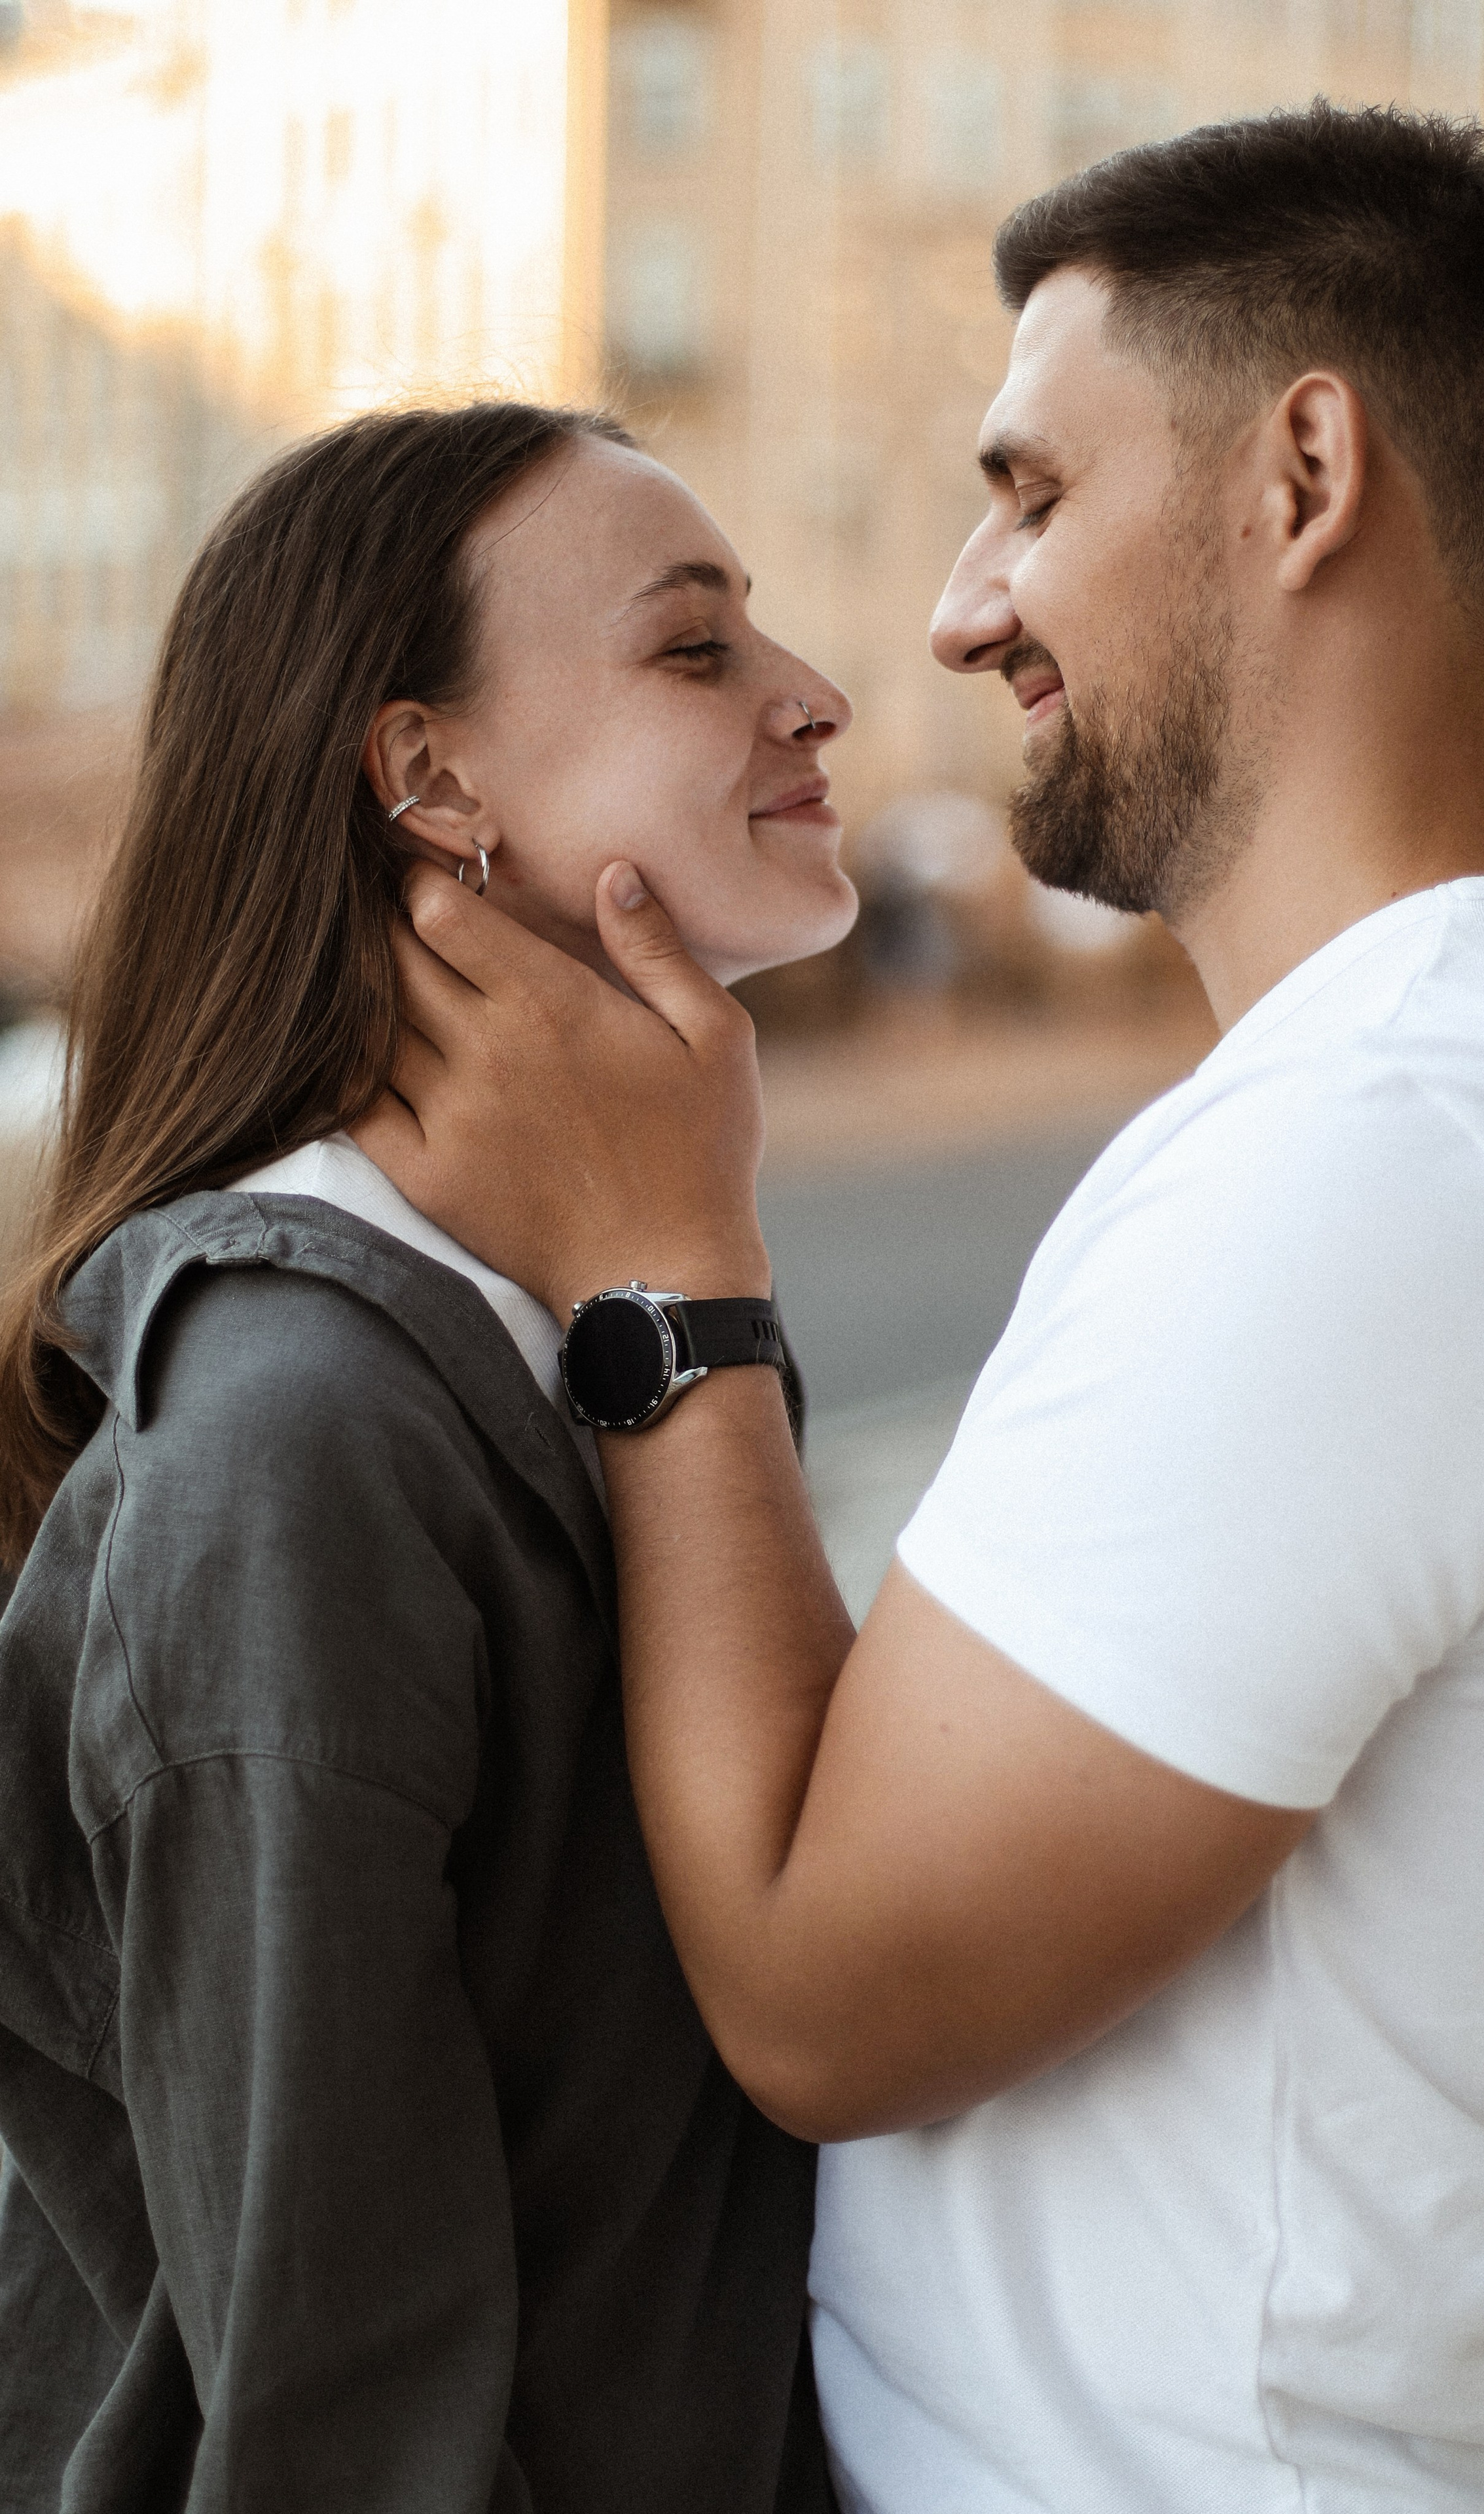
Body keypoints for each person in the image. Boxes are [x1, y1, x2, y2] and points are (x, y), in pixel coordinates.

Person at [357, 106, 1484, 2512]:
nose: (959, 610)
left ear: (1303, 473)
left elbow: (821, 1988)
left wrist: (677, 1275)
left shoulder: (1390, 1170)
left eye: (1033, 492)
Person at [0, 401, 856, 2509]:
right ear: (427, 774)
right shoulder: (297, 1432)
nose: (813, 692)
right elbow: (334, 2401)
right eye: (695, 648)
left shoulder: (573, 1304)